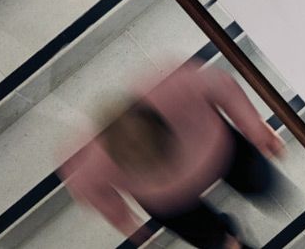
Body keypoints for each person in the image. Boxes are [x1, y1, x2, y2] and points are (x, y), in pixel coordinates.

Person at [60, 60, 286, 249]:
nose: (164, 167)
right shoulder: (95, 162)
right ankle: (225, 240)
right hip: (171, 200)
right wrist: (124, 219)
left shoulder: (172, 89)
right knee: (209, 236)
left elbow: (220, 85)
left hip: (219, 153)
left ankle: (251, 197)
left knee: (262, 183)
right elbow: (88, 188)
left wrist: (254, 127)